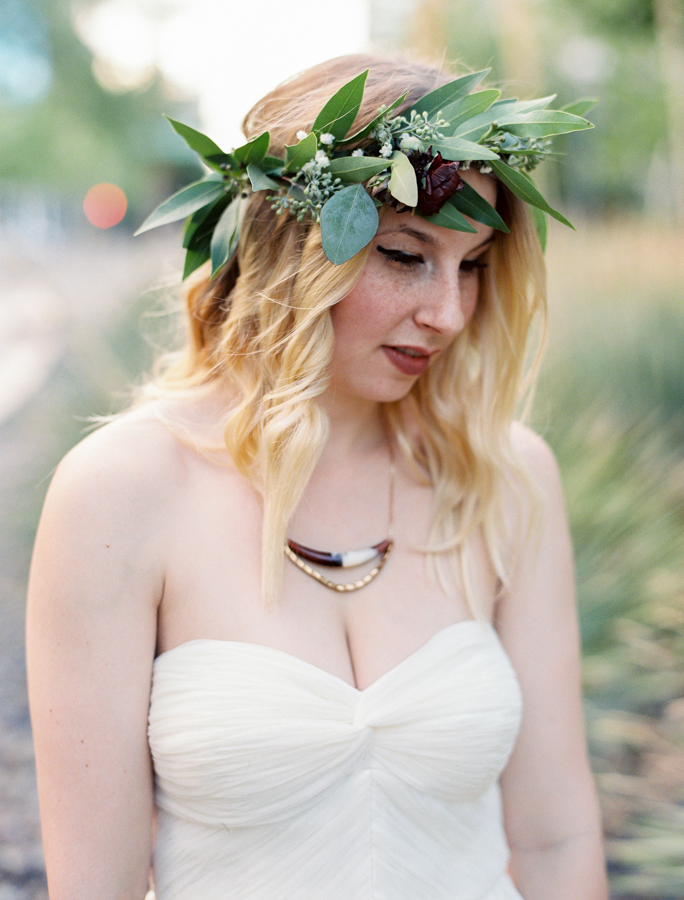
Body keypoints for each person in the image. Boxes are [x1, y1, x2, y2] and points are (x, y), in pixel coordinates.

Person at [26, 54, 608, 900]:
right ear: (291, 248)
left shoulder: (506, 477)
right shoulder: (120, 492)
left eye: (473, 265)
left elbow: (554, 837)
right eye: (407, 256)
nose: (448, 312)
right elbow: (97, 886)